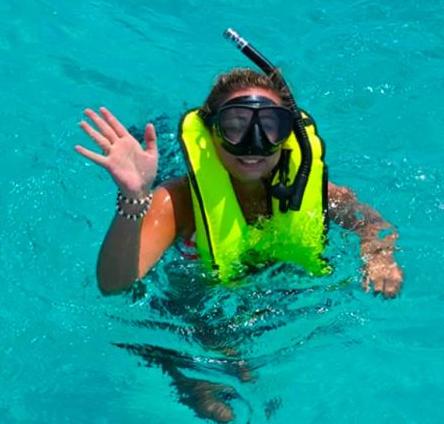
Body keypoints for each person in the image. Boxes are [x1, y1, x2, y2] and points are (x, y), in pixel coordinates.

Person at [76, 68, 403, 421]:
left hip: (265, 303)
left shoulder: (314, 191)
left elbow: (371, 223)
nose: (254, 142)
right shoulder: (177, 201)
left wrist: (379, 256)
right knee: (216, 397)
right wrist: (134, 197)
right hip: (186, 313)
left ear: (289, 133)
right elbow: (114, 284)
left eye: (271, 125)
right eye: (235, 125)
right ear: (212, 134)